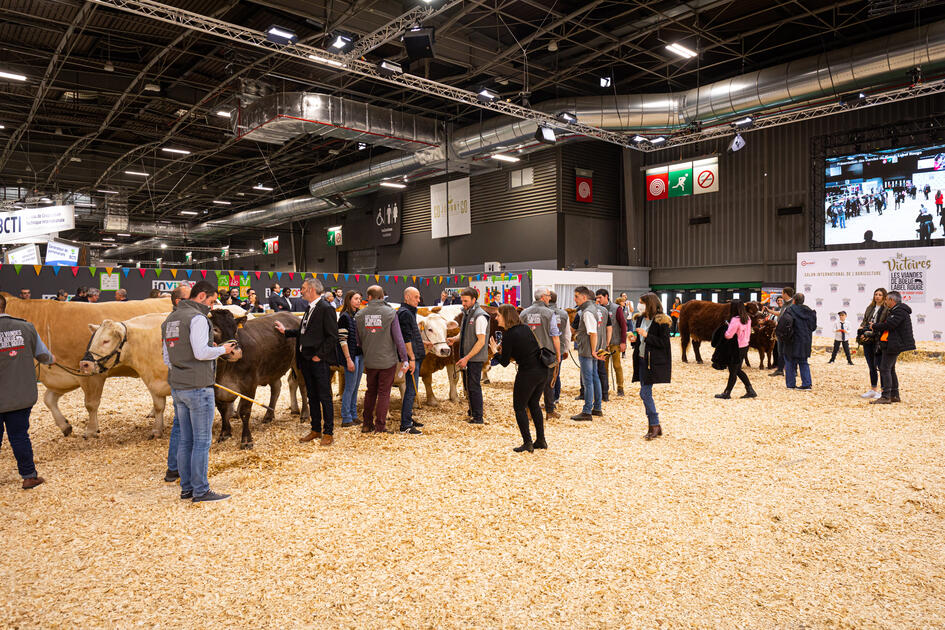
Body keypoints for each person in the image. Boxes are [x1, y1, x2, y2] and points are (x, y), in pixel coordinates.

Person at [161, 280, 238, 502]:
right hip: (198, 387)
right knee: (202, 440)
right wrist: (222, 349)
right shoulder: (198, 318)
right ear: (202, 296)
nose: (212, 306)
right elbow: (200, 353)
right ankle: (201, 490)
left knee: (186, 439)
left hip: (178, 385)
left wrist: (202, 353)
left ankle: (187, 488)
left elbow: (168, 357)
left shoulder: (171, 319)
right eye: (212, 301)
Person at [275, 277, 338, 445]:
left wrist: (320, 355)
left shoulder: (326, 308)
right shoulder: (310, 308)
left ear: (311, 289)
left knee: (325, 396)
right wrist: (286, 332)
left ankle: (328, 432)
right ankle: (315, 429)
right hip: (306, 360)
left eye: (303, 288)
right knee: (312, 396)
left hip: (318, 361)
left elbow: (332, 337)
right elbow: (305, 332)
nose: (301, 291)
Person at [0, 293, 54, 489]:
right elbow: (44, 356)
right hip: (19, 395)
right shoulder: (25, 327)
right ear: (5, 307)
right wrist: (52, 360)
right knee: (20, 436)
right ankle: (29, 476)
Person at [489, 304, 548, 453]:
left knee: (519, 407)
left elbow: (503, 362)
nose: (496, 318)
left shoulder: (509, 334)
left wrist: (495, 351)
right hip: (542, 370)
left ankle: (527, 443)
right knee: (534, 403)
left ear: (506, 317)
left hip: (527, 373)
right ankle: (541, 440)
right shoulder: (525, 328)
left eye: (498, 315)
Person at [356, 285, 409, 434]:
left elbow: (358, 340)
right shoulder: (390, 313)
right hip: (387, 360)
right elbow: (398, 338)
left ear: (369, 297)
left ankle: (366, 424)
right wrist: (404, 357)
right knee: (384, 392)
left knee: (370, 391)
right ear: (382, 297)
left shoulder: (360, 315)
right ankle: (380, 425)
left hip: (370, 359)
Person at [630, 293, 672, 440]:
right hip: (641, 359)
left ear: (650, 304)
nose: (639, 305)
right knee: (645, 392)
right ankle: (655, 426)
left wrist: (647, 335)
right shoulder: (640, 318)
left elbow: (664, 343)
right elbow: (639, 341)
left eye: (642, 303)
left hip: (652, 362)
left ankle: (654, 424)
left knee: (645, 393)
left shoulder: (662, 321)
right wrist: (635, 340)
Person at [446, 288, 490, 424]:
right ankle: (472, 412)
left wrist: (466, 358)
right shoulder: (467, 313)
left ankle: (478, 417)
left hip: (474, 358)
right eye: (462, 300)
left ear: (474, 300)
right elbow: (465, 333)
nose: (463, 303)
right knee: (468, 386)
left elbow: (481, 341)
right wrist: (455, 338)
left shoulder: (480, 316)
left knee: (474, 386)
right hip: (468, 357)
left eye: (466, 301)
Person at [162, 284, 191, 483]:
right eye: (191, 297)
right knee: (186, 426)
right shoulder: (188, 320)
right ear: (179, 301)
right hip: (190, 380)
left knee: (180, 423)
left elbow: (166, 357)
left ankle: (174, 468)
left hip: (176, 378)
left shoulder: (169, 321)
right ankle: (182, 469)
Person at [520, 288, 561, 418]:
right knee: (548, 383)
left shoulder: (524, 313)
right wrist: (558, 354)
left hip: (527, 353)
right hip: (546, 354)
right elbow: (555, 335)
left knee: (528, 384)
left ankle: (528, 411)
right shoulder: (549, 313)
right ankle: (549, 411)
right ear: (543, 297)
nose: (549, 298)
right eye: (548, 296)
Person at [869, 291, 915, 404]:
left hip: (894, 344)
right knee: (890, 369)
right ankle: (894, 395)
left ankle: (886, 396)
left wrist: (874, 326)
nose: (885, 301)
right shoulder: (897, 310)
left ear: (892, 300)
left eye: (887, 299)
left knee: (885, 368)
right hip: (893, 343)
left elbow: (890, 325)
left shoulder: (899, 311)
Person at [570, 286, 604, 421]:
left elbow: (593, 332)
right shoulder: (597, 309)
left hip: (588, 350)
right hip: (594, 349)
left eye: (577, 296)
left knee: (587, 380)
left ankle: (587, 411)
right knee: (595, 377)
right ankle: (597, 407)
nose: (575, 299)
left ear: (584, 297)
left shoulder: (587, 312)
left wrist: (593, 350)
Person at [715, 300, 756, 399]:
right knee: (737, 370)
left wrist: (725, 329)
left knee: (733, 370)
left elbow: (729, 335)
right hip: (745, 346)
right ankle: (750, 390)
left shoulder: (735, 320)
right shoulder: (748, 318)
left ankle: (727, 393)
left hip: (735, 347)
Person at [397, 287, 425, 434]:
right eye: (415, 297)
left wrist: (423, 344)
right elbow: (405, 338)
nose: (418, 300)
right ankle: (405, 425)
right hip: (412, 358)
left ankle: (408, 417)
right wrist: (412, 358)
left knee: (412, 390)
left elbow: (411, 336)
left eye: (419, 297)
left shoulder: (408, 312)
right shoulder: (405, 313)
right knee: (411, 390)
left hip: (414, 354)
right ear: (407, 297)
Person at [777, 292, 816, 390]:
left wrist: (782, 336)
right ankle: (807, 384)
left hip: (792, 340)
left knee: (789, 361)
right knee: (803, 362)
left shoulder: (789, 310)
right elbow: (813, 327)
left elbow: (783, 324)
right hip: (805, 340)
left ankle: (791, 384)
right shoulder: (809, 311)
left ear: (793, 300)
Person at [337, 291, 364, 428]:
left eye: (360, 299)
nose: (359, 301)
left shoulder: (357, 316)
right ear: (349, 300)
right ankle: (346, 417)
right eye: (356, 299)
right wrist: (348, 359)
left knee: (355, 387)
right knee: (349, 387)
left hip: (359, 355)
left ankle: (353, 414)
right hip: (351, 356)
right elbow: (342, 340)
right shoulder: (344, 317)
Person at [857, 288, 888, 400]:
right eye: (875, 294)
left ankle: (883, 390)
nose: (877, 296)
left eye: (880, 294)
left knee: (880, 366)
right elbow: (865, 321)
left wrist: (873, 327)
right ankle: (873, 389)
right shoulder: (870, 308)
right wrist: (862, 331)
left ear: (884, 296)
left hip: (878, 340)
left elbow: (884, 324)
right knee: (871, 365)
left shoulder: (886, 309)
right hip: (868, 339)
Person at [596, 289, 626, 396]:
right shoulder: (597, 309)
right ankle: (605, 388)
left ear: (606, 296)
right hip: (602, 344)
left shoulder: (616, 308)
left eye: (600, 297)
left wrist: (623, 342)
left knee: (617, 366)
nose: (598, 300)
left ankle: (620, 388)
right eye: (597, 298)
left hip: (615, 342)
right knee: (604, 367)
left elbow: (623, 325)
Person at [548, 291, 570, 405]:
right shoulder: (564, 313)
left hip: (545, 348)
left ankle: (548, 398)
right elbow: (567, 333)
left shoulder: (544, 312)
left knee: (546, 374)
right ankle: (556, 397)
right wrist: (566, 349)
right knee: (556, 373)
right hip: (559, 348)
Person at [769, 288, 795, 377]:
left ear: (786, 294)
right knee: (781, 351)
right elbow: (781, 314)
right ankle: (780, 369)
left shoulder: (792, 304)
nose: (782, 295)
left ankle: (793, 370)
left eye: (782, 293)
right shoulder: (785, 304)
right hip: (781, 332)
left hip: (788, 332)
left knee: (789, 352)